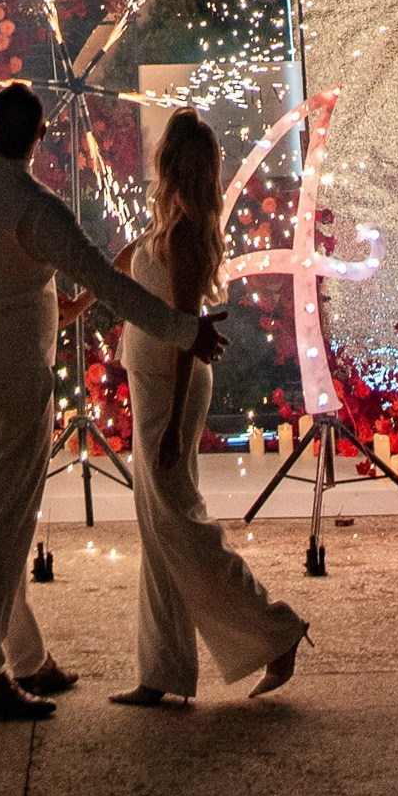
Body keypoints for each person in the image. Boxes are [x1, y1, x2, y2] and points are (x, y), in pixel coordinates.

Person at [0, 80, 219, 721]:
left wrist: (45, 305)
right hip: (11, 382)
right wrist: (187, 330)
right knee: (5, 529)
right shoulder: (37, 208)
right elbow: (108, 284)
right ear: (40, 136)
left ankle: (29, 658)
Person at [112, 106, 308, 709]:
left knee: (181, 524)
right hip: (147, 382)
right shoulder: (162, 227)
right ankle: (162, 670)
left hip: (170, 388)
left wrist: (172, 425)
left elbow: (184, 331)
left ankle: (276, 630)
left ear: (170, 163)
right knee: (159, 529)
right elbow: (118, 271)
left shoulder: (186, 233)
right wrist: (73, 302)